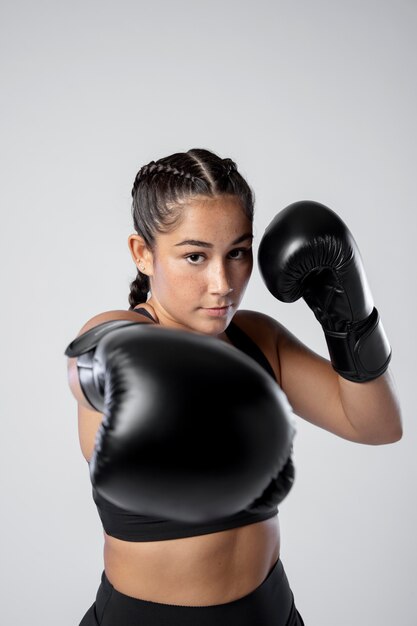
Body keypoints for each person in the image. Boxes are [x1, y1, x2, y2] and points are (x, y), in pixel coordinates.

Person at [65, 147, 402, 625]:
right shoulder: (120, 331)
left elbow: (376, 426)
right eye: (195, 256)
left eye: (237, 253)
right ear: (143, 254)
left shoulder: (257, 338)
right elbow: (96, 369)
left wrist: (351, 321)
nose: (222, 282)